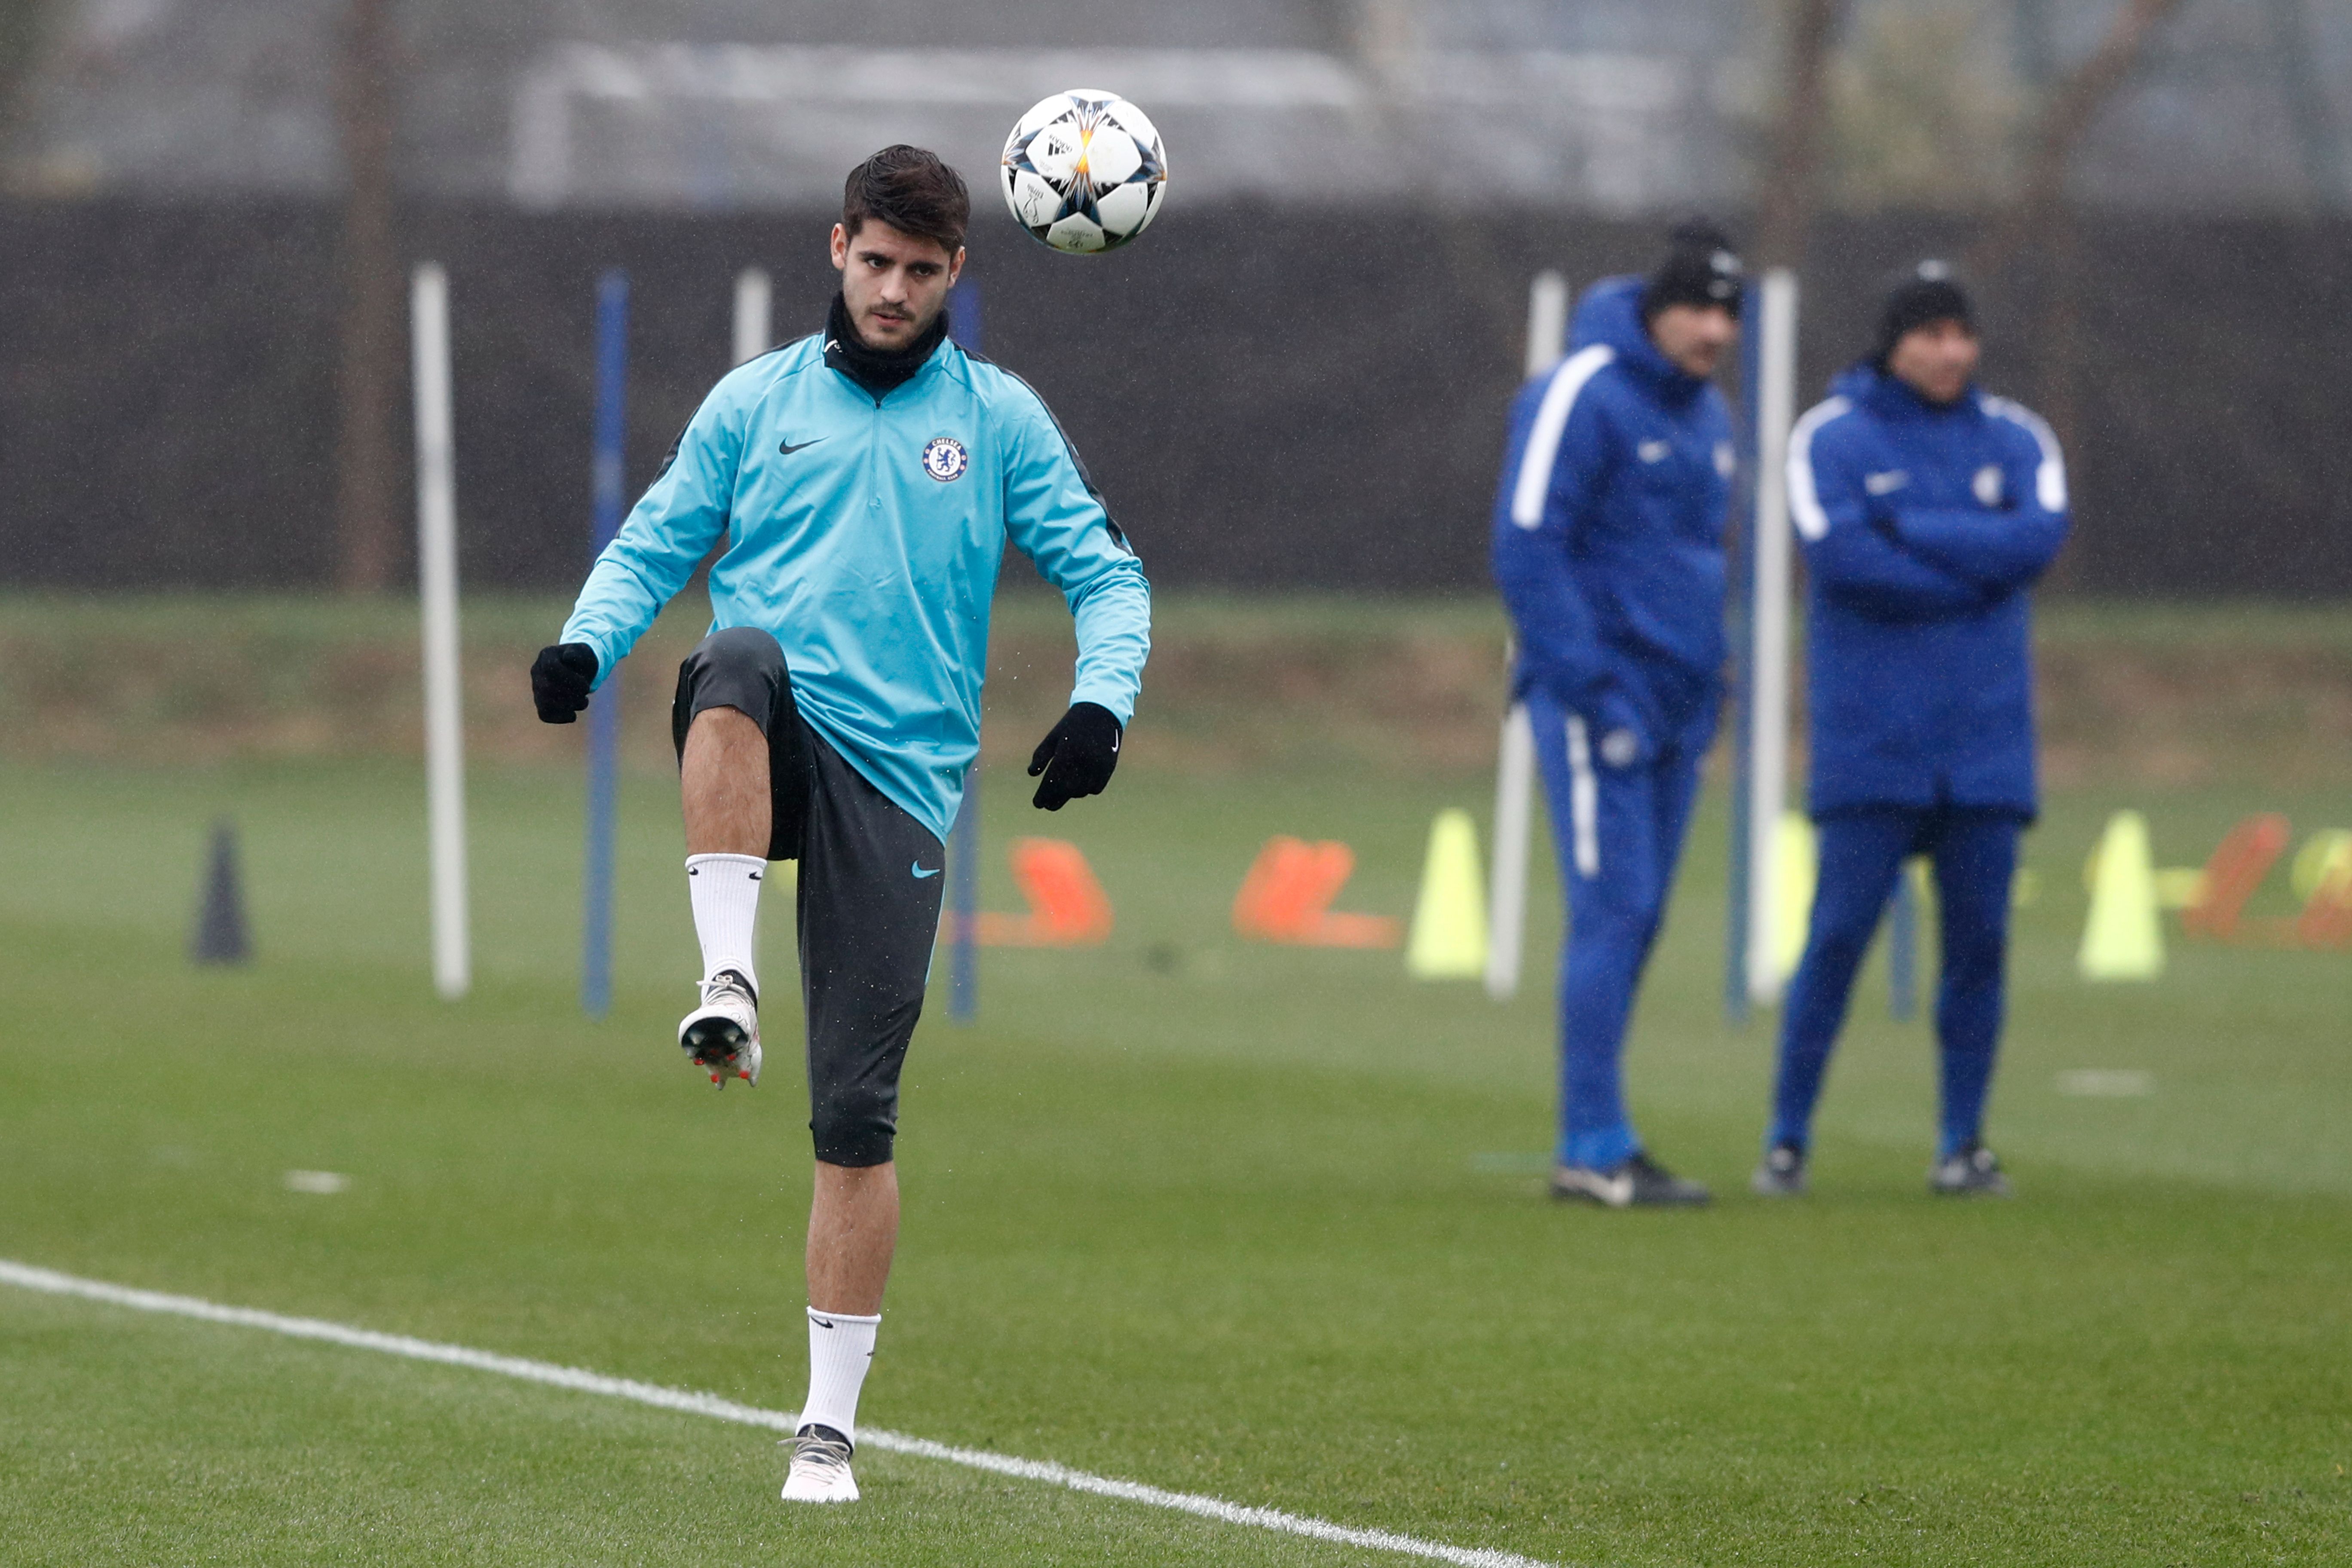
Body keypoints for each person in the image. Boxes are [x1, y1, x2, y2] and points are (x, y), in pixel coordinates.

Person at [528, 146, 1150, 1502]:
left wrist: (1102, 704)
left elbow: (1109, 577)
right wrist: (586, 643)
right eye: (876, 262)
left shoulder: (999, 421)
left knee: (856, 1121)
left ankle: (826, 1430)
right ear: (838, 248)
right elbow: (651, 544)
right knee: (734, 658)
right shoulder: (755, 403)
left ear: (956, 273)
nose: (894, 290)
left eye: (922, 271)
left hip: (905, 780)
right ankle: (728, 980)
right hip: (773, 735)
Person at [1755, 262, 2067, 1200]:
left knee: (1979, 948)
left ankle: (1961, 1143)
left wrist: (1911, 527)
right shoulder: (1832, 435)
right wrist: (1975, 563)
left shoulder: (2017, 436)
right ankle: (1787, 1139)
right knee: (1837, 940)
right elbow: (1844, 558)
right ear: (1894, 344)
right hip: (1873, 743)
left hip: (1985, 743)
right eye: (1931, 334)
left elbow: (2037, 540)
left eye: (1962, 333)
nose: (1951, 351)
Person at [1491, 221, 1743, 1208]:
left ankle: (1600, 1135)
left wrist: (1712, 682)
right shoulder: (1582, 391)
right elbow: (1526, 544)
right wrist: (1593, 688)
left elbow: (1696, 560)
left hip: (1679, 707)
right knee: (1616, 909)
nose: (1715, 330)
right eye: (1699, 309)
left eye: (1729, 314)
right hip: (1598, 700)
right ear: (1656, 309)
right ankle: (1592, 1146)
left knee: (1643, 918)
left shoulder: (1710, 414)